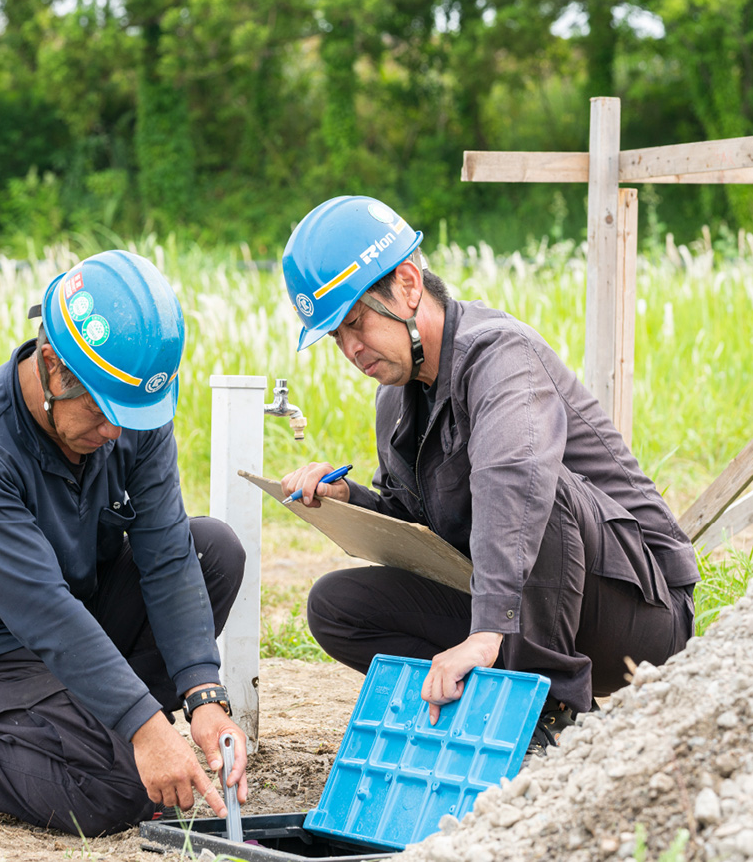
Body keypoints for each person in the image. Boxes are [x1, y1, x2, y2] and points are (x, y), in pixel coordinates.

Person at [279, 196, 699, 752]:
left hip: (637, 610)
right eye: (336, 337)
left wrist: (485, 633)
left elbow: (516, 481)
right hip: (519, 604)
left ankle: (550, 715)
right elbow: (418, 524)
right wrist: (345, 497)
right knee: (337, 605)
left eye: (356, 321)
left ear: (407, 284)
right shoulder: (396, 399)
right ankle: (480, 713)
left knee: (531, 487)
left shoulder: (500, 354)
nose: (352, 348)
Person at [0, 250, 249, 835]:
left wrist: (202, 694)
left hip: (80, 608)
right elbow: (42, 610)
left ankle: (96, 725)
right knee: (117, 795)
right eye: (100, 408)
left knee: (211, 549)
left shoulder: (130, 409)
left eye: (132, 413)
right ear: (50, 365)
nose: (117, 432)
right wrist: (145, 727)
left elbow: (167, 554)